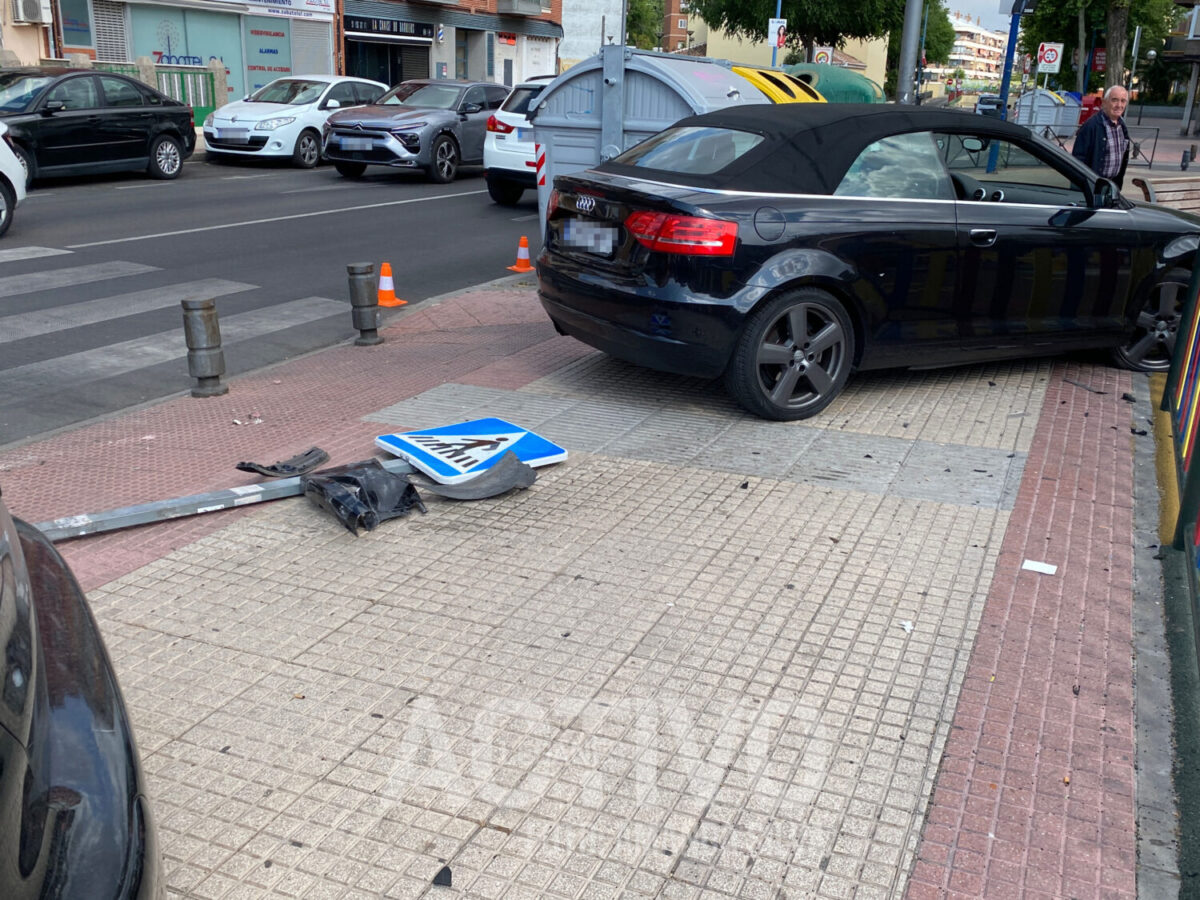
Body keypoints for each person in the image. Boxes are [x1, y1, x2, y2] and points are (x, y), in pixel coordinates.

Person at [1071, 85, 1130, 188]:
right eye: (1114, 100)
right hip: (1093, 186)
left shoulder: (1122, 126)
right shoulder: (1091, 126)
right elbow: (1078, 160)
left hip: (1112, 185)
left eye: (1123, 101)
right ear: (1104, 102)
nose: (1119, 105)